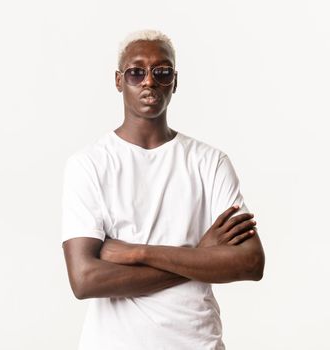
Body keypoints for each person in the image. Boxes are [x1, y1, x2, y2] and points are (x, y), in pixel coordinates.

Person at [61, 29, 265, 350]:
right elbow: (85, 280)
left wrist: (137, 253)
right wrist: (200, 254)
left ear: (175, 81)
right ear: (118, 81)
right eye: (136, 72)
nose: (149, 81)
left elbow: (250, 263)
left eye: (162, 72)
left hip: (196, 342)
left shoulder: (209, 162)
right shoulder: (89, 164)